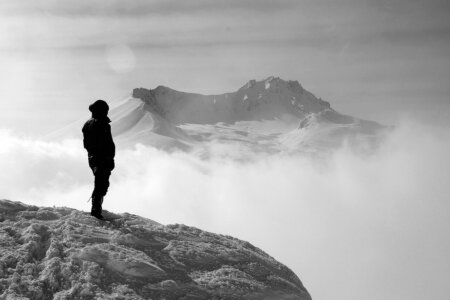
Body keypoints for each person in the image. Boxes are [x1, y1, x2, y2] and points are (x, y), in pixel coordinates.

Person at [82, 100, 115, 219]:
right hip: (101, 158)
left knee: (100, 183)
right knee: (102, 184)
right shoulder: (101, 123)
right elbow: (106, 143)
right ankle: (96, 210)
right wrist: (108, 158)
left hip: (94, 157)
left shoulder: (88, 124)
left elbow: (86, 144)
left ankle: (96, 208)